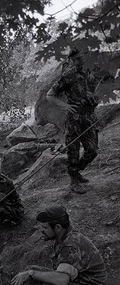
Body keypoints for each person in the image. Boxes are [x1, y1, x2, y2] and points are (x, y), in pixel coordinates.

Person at [46, 48, 99, 195]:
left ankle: (76, 172)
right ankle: (73, 181)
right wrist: (65, 106)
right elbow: (50, 95)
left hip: (89, 117)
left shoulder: (92, 72)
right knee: (73, 151)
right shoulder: (68, 76)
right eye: (77, 60)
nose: (80, 62)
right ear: (72, 61)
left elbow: (94, 90)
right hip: (74, 119)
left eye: (82, 58)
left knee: (92, 151)